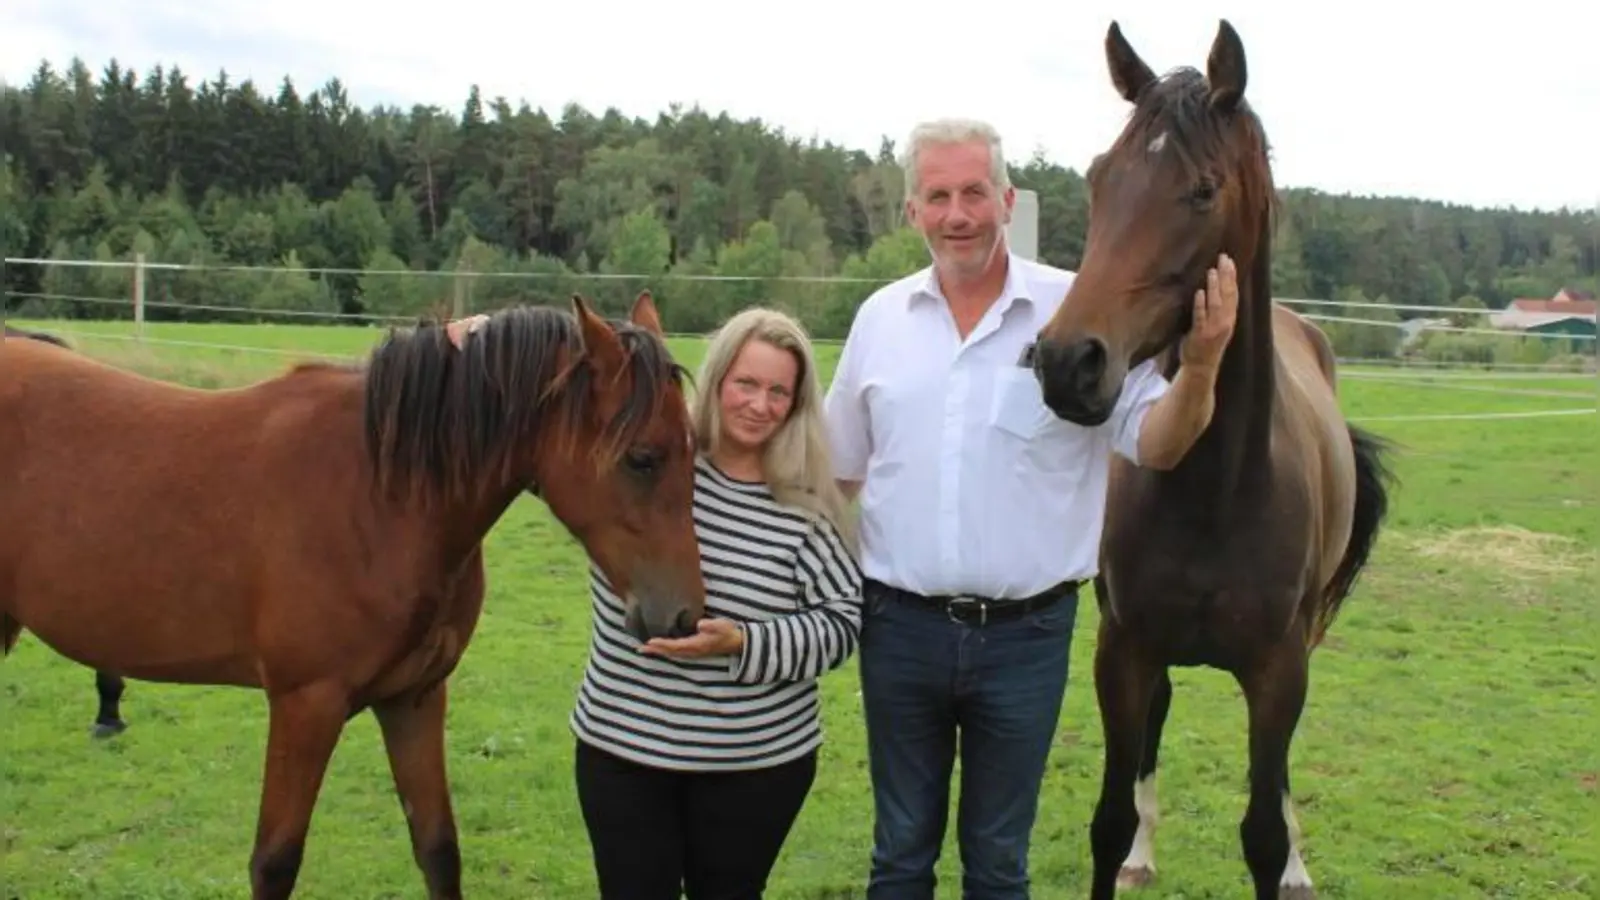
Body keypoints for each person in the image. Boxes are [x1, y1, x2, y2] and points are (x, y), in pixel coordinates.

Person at [821, 117, 1239, 898]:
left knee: (998, 861)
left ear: (1006, 199)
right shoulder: (879, 321)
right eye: (937, 196)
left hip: (1026, 638)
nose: (957, 214)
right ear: (912, 211)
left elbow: (1159, 442)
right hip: (899, 630)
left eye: (974, 192)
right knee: (899, 856)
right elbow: (834, 472)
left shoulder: (1070, 318)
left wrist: (1204, 366)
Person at [451, 306, 864, 899]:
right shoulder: (644, 464)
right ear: (717, 380)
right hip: (624, 753)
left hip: (754, 768)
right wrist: (476, 334)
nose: (759, 403)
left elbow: (842, 622)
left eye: (779, 391)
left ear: (796, 404)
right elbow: (550, 395)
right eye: (746, 383)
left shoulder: (805, 509)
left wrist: (744, 642)